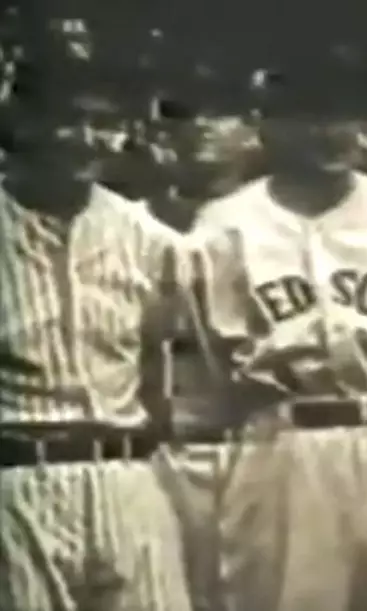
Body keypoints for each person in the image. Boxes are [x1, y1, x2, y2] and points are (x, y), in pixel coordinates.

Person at [164, 69, 367, 611]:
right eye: (309, 117)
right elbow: (205, 378)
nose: (331, 132)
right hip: (283, 445)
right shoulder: (224, 227)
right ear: (269, 127)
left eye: (343, 116)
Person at [0, 81, 193, 609]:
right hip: (17, 479)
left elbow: (165, 360)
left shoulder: (147, 237)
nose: (85, 140)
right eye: (66, 122)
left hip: (126, 475)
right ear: (19, 130)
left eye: (99, 124)